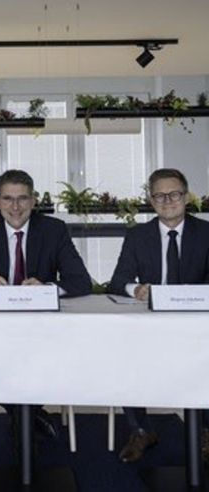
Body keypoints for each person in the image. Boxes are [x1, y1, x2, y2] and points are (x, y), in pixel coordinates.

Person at [0, 169, 92, 440]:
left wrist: (48, 289)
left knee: (46, 359)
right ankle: (29, 416)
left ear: (33, 201)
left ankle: (23, 417)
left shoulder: (54, 230)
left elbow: (81, 281)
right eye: (8, 199)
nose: (15, 207)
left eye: (22, 199)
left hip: (42, 329)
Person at [109, 168, 209, 463]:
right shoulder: (137, 236)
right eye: (160, 196)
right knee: (122, 354)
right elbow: (118, 281)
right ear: (151, 201)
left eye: (174, 194)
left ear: (186, 197)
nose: (168, 201)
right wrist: (136, 289)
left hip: (198, 325)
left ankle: (205, 430)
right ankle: (141, 430)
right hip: (150, 325)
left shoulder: (206, 233)